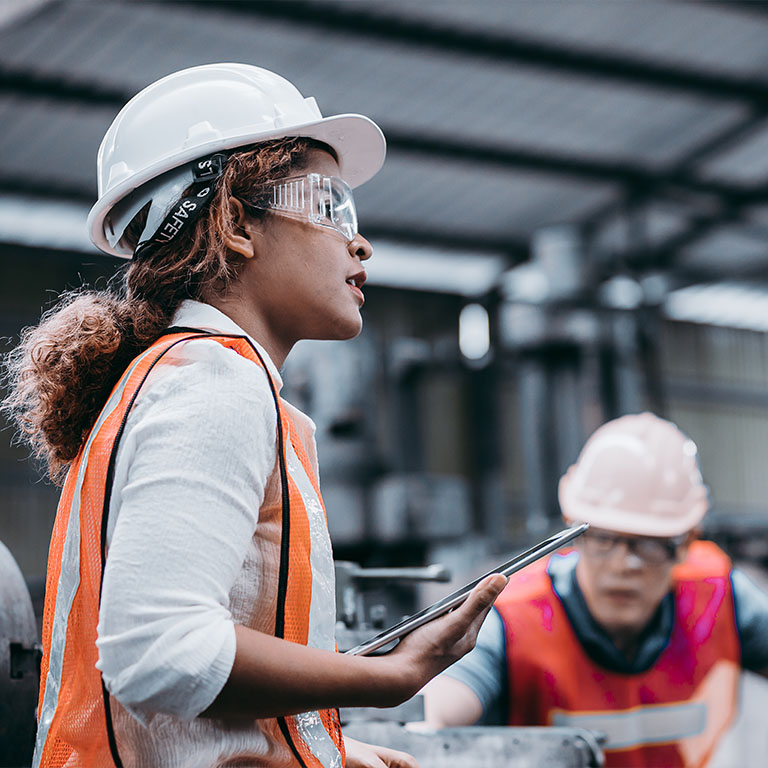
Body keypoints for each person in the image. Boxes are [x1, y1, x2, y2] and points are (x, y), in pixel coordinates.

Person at [1, 63, 507, 768]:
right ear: (237, 224)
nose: (359, 245)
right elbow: (158, 651)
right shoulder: (214, 383)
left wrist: (321, 743)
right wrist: (386, 677)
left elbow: (169, 697)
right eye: (331, 207)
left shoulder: (184, 378)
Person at [422, 412, 768, 768]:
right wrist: (420, 725)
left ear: (685, 543)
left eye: (647, 544)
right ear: (576, 533)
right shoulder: (513, 619)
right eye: (604, 538)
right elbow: (435, 714)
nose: (623, 564)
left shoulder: (721, 599)